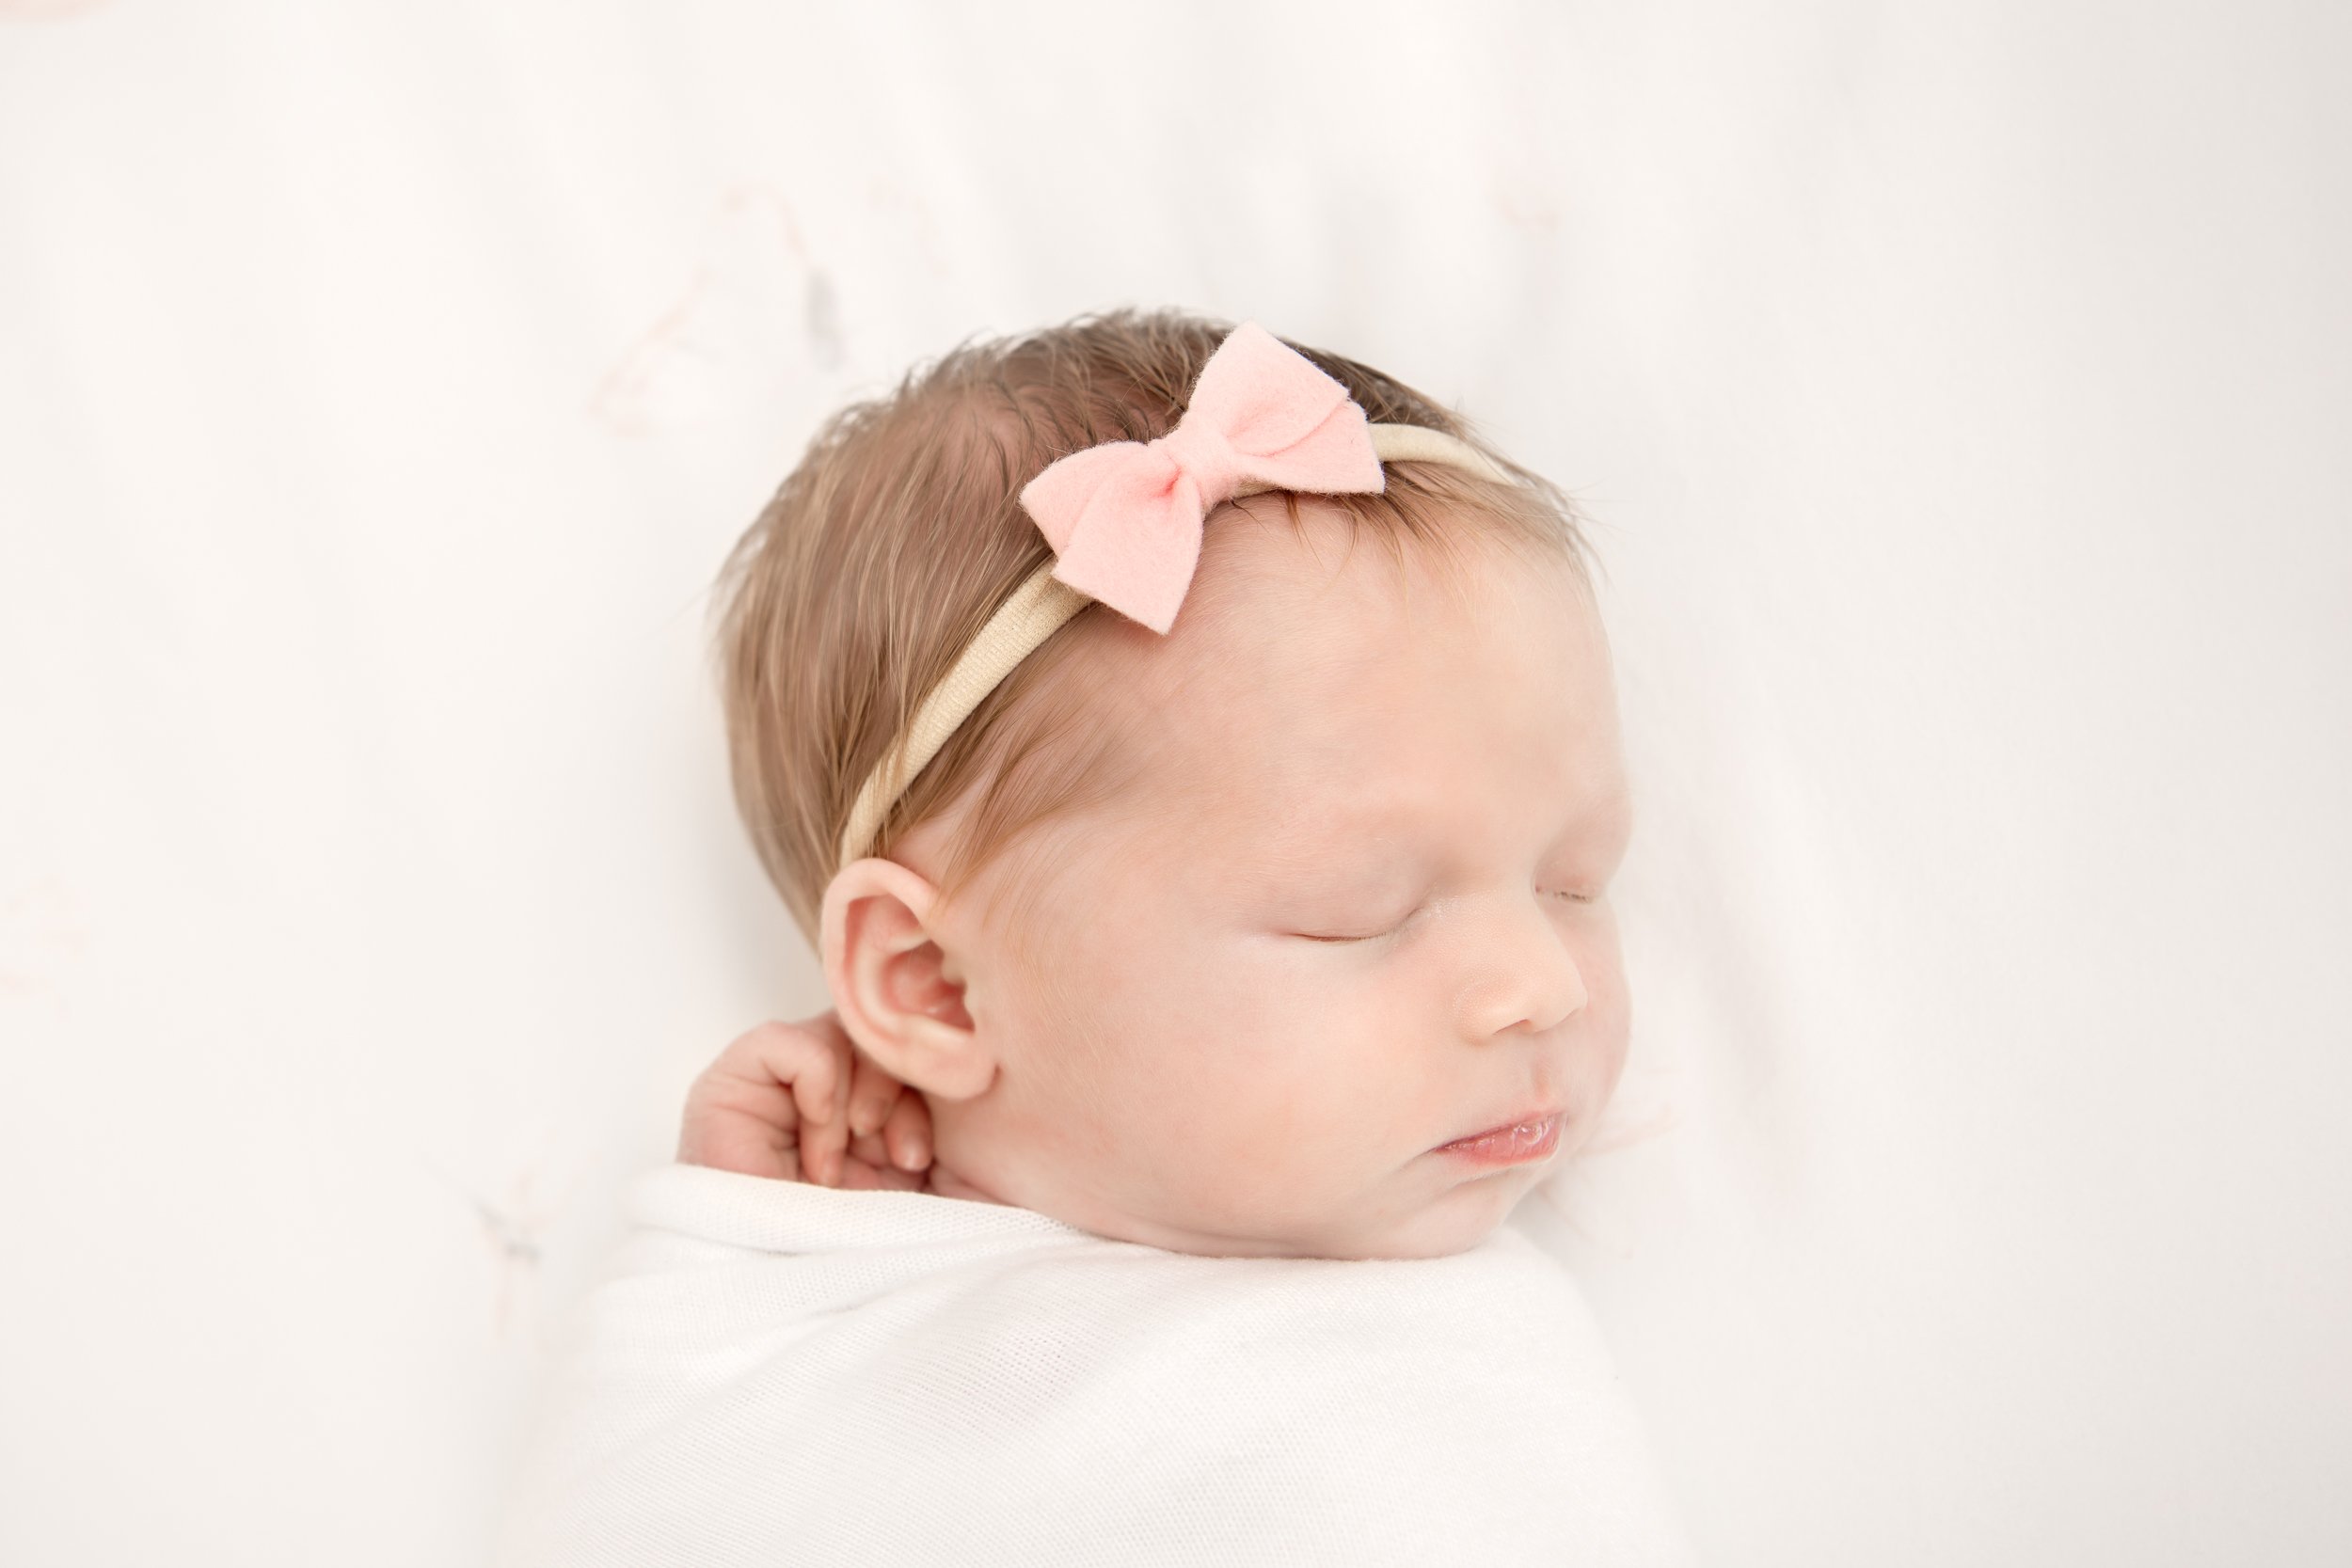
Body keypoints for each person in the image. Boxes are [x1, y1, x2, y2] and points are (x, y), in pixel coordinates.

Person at [492, 310, 1689, 1565]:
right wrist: (764, 1268)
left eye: (1575, 881)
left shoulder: (1445, 1359)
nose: (1541, 988)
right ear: (933, 986)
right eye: (1365, 912)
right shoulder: (794, 1336)